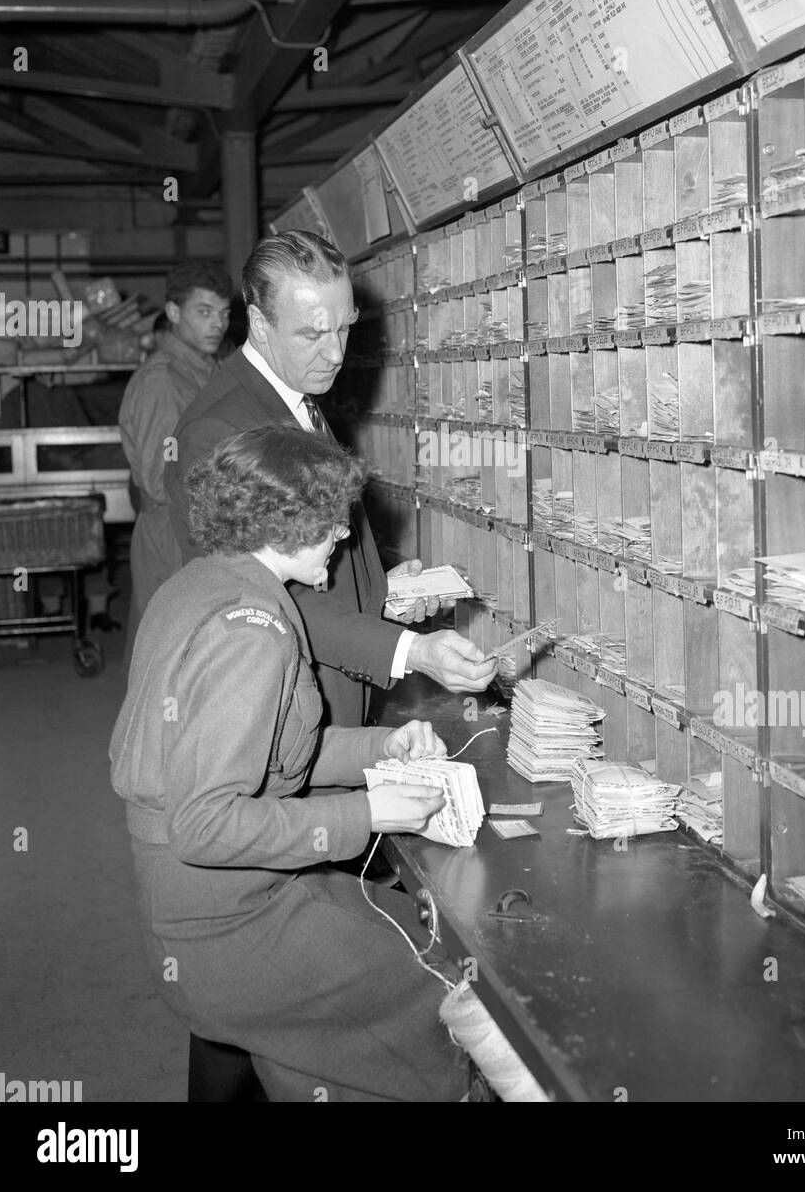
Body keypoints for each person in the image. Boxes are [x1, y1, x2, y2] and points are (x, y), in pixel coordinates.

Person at [110, 426, 468, 1102]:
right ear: (284, 523)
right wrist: (368, 812)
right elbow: (206, 824)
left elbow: (265, 755)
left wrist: (379, 750)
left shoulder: (203, 585)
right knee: (447, 990)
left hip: (211, 902)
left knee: (388, 930)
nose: (342, 536)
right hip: (229, 924)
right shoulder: (252, 633)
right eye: (331, 521)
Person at [164, 230, 496, 729]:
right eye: (313, 334)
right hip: (285, 708)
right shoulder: (220, 430)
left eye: (344, 329)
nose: (336, 353)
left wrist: (380, 591)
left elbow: (303, 546)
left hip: (333, 682)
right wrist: (414, 651)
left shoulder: (291, 393)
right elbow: (262, 600)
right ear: (258, 323)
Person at [119, 262, 232, 655]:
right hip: (173, 535)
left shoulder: (204, 371)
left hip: (198, 531)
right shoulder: (163, 381)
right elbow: (160, 479)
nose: (217, 324)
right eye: (204, 312)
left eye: (224, 313)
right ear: (173, 313)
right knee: (170, 657)